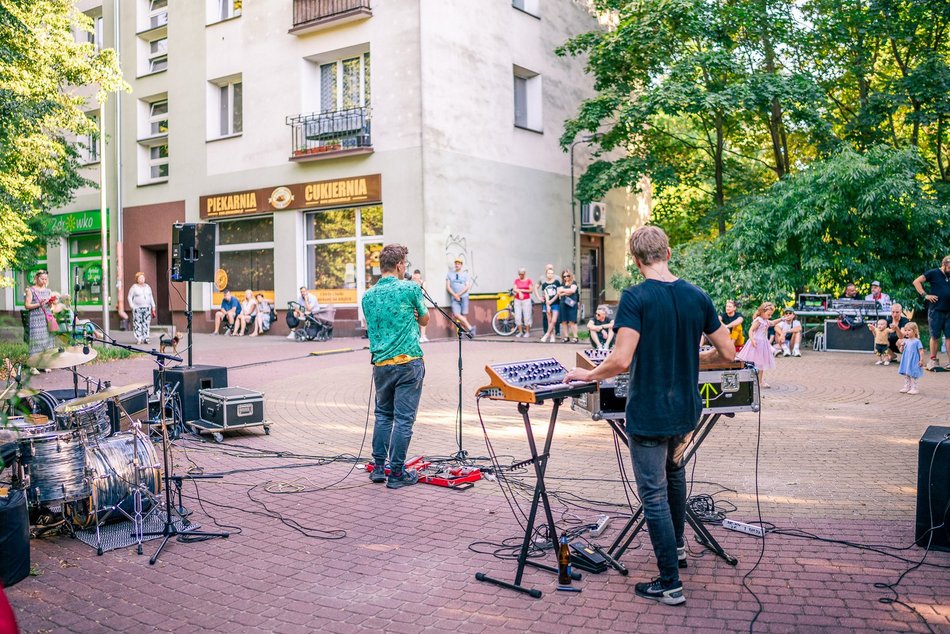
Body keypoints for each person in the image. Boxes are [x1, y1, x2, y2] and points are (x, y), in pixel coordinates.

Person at [564, 226, 735, 606]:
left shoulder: (636, 297)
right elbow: (728, 351)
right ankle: (677, 548)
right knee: (675, 475)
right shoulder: (697, 295)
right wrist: (695, 358)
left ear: (637, 261)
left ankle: (669, 582)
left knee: (653, 493)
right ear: (668, 253)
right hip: (686, 409)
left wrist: (588, 374)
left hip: (650, 411)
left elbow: (621, 359)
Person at [362, 244, 429, 489]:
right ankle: (397, 473)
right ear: (400, 265)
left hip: (380, 365)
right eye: (405, 265)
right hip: (408, 362)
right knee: (403, 420)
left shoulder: (368, 295)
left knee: (382, 415)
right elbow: (424, 318)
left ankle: (378, 468)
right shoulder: (411, 288)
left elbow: (374, 325)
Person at [912, 256, 950, 370]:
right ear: (943, 265)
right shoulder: (934, 273)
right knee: (935, 336)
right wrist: (925, 295)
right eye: (949, 268)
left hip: (949, 311)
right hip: (936, 310)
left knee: (949, 337)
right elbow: (916, 281)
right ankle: (933, 360)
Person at [736, 302, 780, 388]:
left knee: (761, 364)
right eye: (768, 314)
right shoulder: (759, 320)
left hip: (763, 344)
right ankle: (748, 379)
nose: (770, 316)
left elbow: (773, 323)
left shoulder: (766, 321)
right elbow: (751, 330)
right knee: (752, 362)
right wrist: (752, 339)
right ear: (762, 312)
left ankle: (760, 381)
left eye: (771, 315)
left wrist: (782, 319)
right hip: (756, 343)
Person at [24, 270, 57, 361]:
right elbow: (27, 305)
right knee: (37, 341)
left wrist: (51, 303)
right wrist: (39, 304)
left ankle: (46, 362)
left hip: (47, 319)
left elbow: (50, 306)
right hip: (36, 319)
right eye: (42, 279)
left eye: (46, 279)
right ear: (36, 278)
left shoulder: (48, 291)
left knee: (48, 340)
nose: (44, 281)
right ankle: (34, 364)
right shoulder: (30, 290)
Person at [445, 258, 474, 335]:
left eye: (459, 263)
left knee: (464, 315)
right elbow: (448, 287)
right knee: (457, 315)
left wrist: (459, 294)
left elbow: (467, 286)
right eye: (456, 263)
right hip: (454, 298)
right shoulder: (450, 274)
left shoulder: (465, 274)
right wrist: (455, 295)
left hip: (464, 296)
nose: (457, 265)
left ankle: (465, 333)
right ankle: (471, 328)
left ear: (461, 265)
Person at [127, 272, 157, 345]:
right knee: (137, 323)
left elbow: (151, 297)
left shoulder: (148, 287)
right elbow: (129, 297)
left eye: (143, 278)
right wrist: (132, 306)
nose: (142, 279)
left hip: (147, 307)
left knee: (146, 323)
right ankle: (139, 339)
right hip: (137, 308)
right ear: (137, 279)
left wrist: (153, 306)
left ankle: (146, 338)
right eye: (140, 278)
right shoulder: (134, 287)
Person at [897, 322, 924, 394]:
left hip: (914, 360)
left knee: (913, 373)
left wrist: (921, 360)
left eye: (909, 330)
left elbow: (921, 351)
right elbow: (901, 351)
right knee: (906, 373)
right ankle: (907, 386)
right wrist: (902, 345)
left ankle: (914, 388)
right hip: (906, 360)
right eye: (905, 330)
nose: (907, 332)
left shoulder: (917, 341)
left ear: (914, 331)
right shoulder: (906, 341)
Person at [538, 265, 561, 342]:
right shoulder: (544, 284)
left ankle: (547, 334)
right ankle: (552, 336)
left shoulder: (557, 282)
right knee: (549, 321)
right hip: (547, 304)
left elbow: (558, 293)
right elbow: (546, 294)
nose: (550, 274)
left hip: (556, 303)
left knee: (554, 320)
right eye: (549, 273)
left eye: (552, 273)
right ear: (546, 274)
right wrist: (548, 305)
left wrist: (551, 301)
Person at [557, 270, 580, 343]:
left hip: (572, 303)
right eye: (564, 276)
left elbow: (573, 291)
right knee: (563, 321)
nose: (566, 277)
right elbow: (559, 293)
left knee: (572, 321)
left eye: (568, 276)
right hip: (563, 303)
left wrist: (563, 291)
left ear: (571, 275)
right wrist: (567, 291)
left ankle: (575, 337)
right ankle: (566, 337)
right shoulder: (561, 283)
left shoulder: (574, 282)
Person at [512, 267, 534, 338]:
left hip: (526, 300)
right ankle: (520, 332)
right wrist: (519, 292)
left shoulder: (529, 281)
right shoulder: (516, 280)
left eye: (522, 274)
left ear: (524, 273)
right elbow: (514, 289)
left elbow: (531, 290)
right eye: (519, 274)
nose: (520, 276)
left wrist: (521, 290)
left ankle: (527, 332)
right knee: (518, 316)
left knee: (527, 316)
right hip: (517, 300)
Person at [410, 269, 429, 342]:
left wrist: (420, 284)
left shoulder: (423, 282)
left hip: (421, 303)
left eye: (418, 275)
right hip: (413, 303)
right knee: (414, 320)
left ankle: (423, 336)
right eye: (415, 275)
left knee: (423, 318)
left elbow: (423, 292)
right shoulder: (411, 283)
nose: (417, 276)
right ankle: (416, 336)